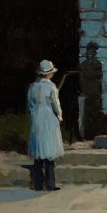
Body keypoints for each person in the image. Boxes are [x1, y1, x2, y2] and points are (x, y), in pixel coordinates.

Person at [27, 60, 64, 191]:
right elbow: (55, 104)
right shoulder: (52, 87)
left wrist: (33, 114)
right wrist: (59, 116)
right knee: (49, 151)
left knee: (38, 151)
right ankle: (50, 184)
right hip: (48, 117)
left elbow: (30, 104)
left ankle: (37, 184)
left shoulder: (32, 87)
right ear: (49, 74)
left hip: (37, 116)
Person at [78, 42, 107, 140]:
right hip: (93, 92)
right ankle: (92, 134)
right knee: (92, 113)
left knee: (90, 114)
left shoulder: (84, 64)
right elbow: (98, 77)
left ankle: (90, 134)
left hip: (90, 91)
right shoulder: (96, 63)